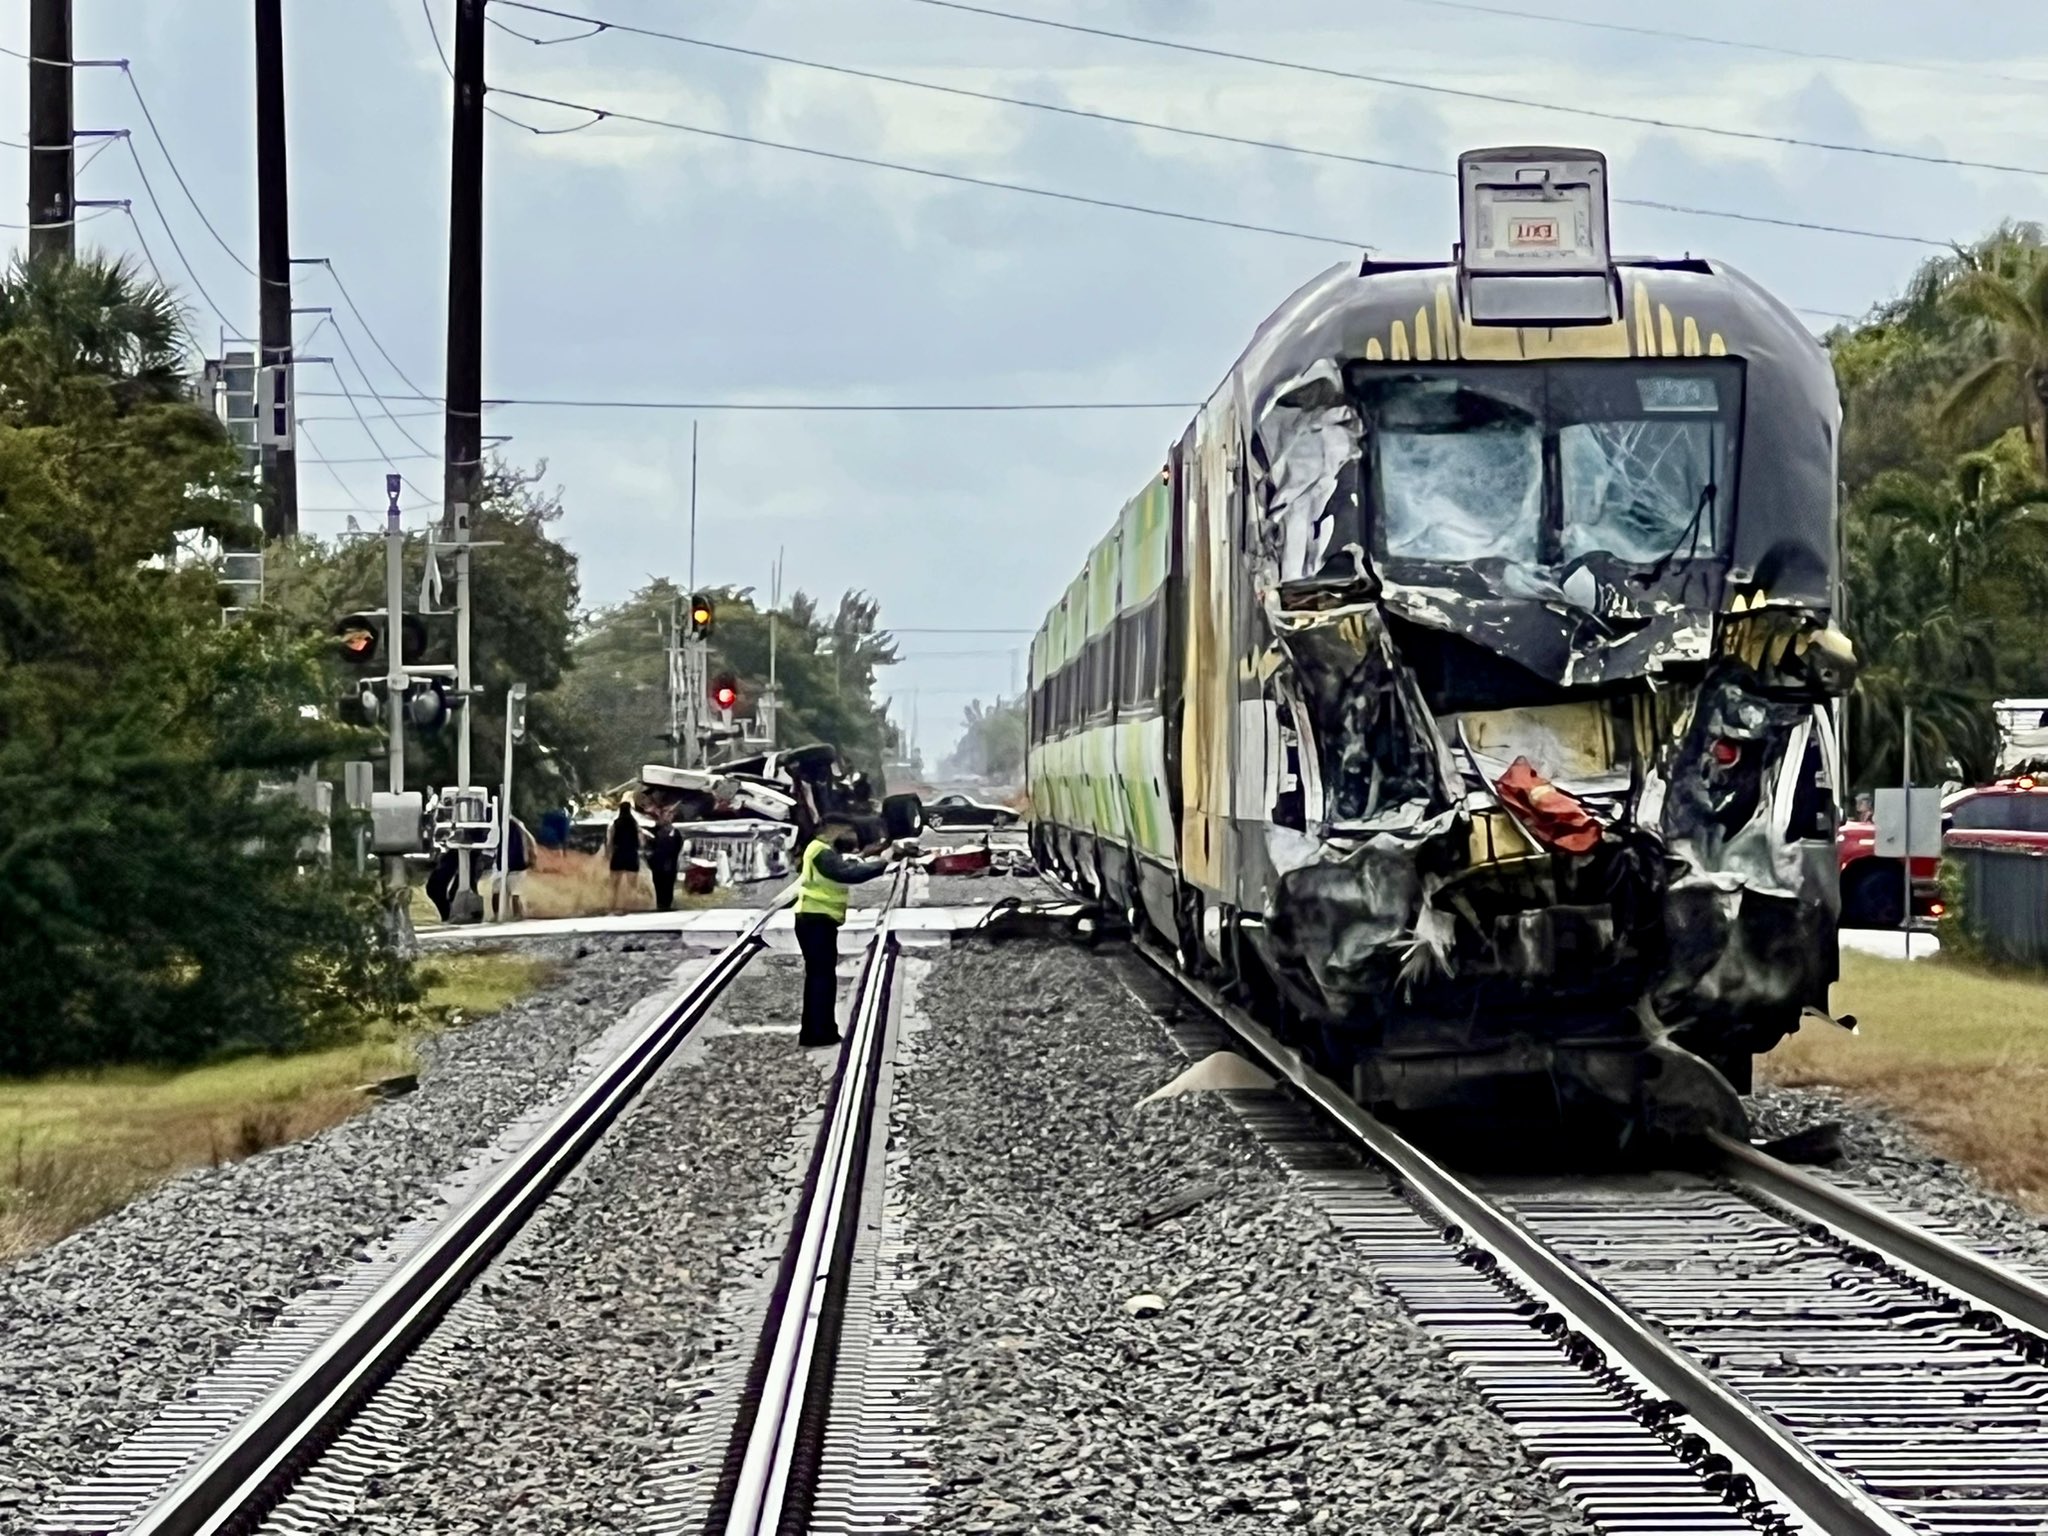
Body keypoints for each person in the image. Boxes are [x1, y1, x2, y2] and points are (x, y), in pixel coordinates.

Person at [793, 817, 899, 1048]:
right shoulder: (821, 852)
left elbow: (850, 864)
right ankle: (819, 1034)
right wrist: (883, 863)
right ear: (828, 830)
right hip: (815, 921)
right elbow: (848, 873)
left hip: (816, 920)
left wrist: (875, 852)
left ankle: (817, 1031)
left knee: (819, 978)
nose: (847, 836)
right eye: (843, 831)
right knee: (822, 980)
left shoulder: (821, 850)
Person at [604, 797, 643, 914]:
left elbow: (609, 841)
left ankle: (612, 907)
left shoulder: (615, 824)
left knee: (614, 885)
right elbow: (641, 841)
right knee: (632, 885)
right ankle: (631, 907)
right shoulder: (635, 824)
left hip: (618, 854)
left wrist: (608, 854)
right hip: (631, 854)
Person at [496, 814, 533, 921]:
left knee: (514, 892)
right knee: (511, 891)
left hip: (515, 864)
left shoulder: (513, 826)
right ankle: (514, 914)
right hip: (513, 864)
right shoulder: (516, 825)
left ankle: (517, 915)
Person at [648, 805, 684, 913]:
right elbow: (650, 846)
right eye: (667, 814)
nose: (669, 817)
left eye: (671, 814)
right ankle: (660, 904)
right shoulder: (654, 830)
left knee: (668, 885)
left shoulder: (676, 832)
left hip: (670, 863)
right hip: (657, 863)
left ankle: (667, 904)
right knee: (658, 884)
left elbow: (678, 846)